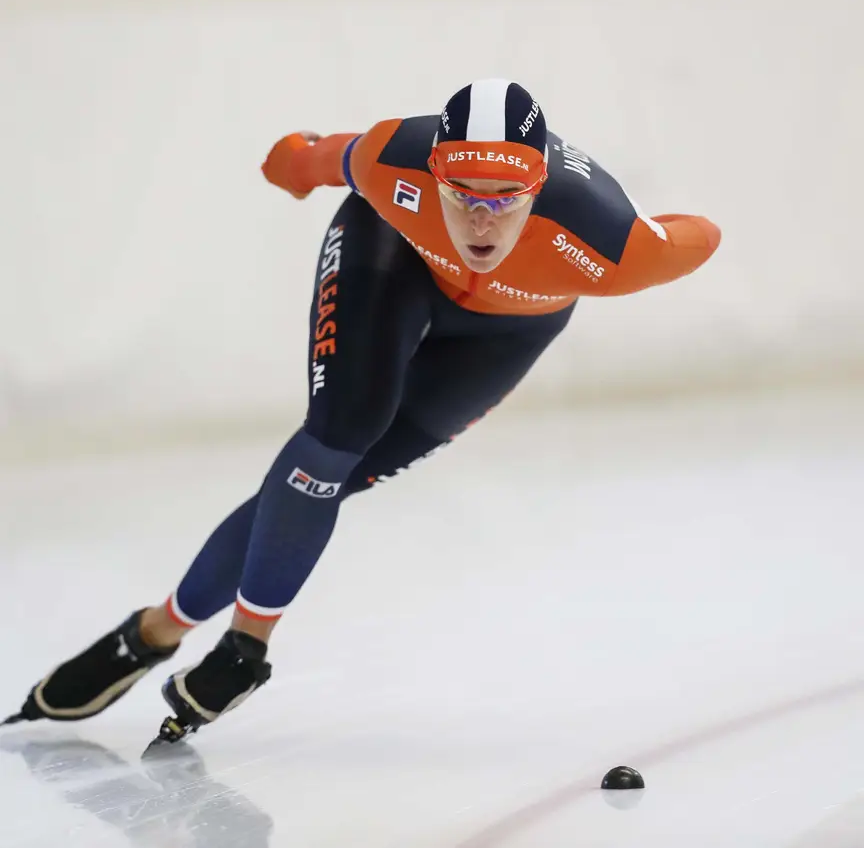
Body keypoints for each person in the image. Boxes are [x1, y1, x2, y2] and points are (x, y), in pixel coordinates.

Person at [4, 79, 721, 744]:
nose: (481, 219)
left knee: (334, 478)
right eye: (461, 193)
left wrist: (644, 216)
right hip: (392, 261)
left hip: (507, 332)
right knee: (340, 432)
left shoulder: (615, 246)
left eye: (506, 197)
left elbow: (703, 234)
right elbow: (320, 159)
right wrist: (292, 163)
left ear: (540, 188)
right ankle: (245, 647)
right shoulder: (391, 159)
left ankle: (154, 632)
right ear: (432, 172)